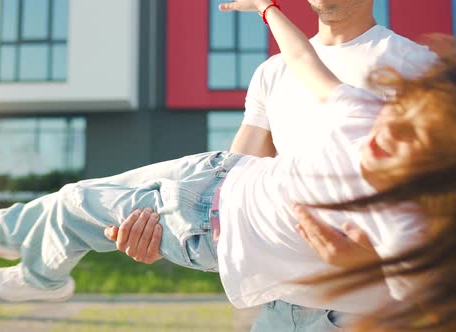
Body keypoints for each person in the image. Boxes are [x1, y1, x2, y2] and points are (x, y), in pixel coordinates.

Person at [0, 1, 455, 324]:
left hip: (343, 311)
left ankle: (38, 266)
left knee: (83, 204)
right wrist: (164, 240)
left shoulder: (420, 74)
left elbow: (427, 293)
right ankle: (13, 231)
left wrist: (358, 266)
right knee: (84, 197)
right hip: (245, 233)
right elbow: (247, 157)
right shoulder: (290, 78)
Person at [107, 0, 437, 329]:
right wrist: (168, 233)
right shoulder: (273, 71)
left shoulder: (419, 67)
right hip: (280, 310)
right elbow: (230, 188)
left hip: (363, 309)